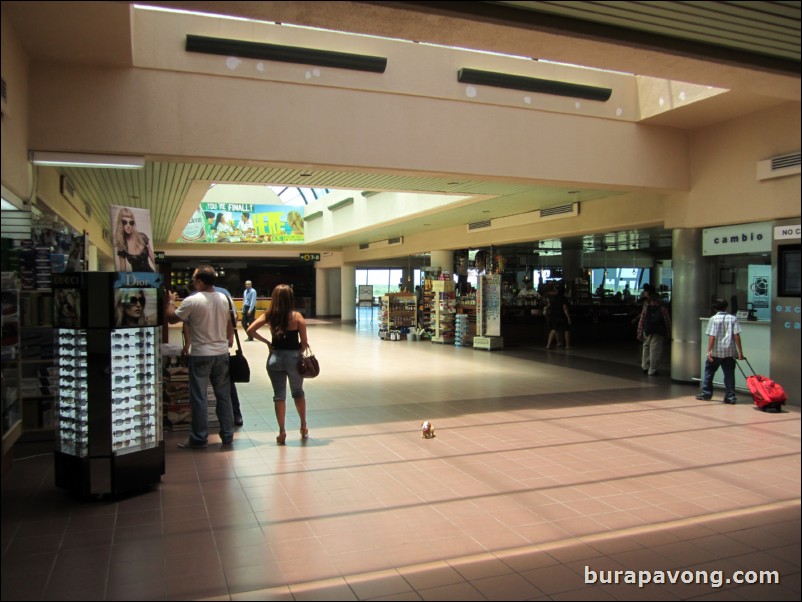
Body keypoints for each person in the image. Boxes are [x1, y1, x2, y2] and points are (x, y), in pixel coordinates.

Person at [164, 265, 236, 448]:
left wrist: (169, 302)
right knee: (224, 396)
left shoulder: (192, 300)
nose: (193, 282)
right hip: (221, 354)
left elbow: (172, 318)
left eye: (195, 279)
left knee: (199, 397)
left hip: (201, 355)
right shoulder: (224, 298)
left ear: (201, 281)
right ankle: (227, 435)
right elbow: (229, 322)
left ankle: (199, 437)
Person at [246, 284, 309, 445]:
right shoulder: (297, 317)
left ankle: (281, 431)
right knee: (298, 392)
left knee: (279, 396)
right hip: (294, 360)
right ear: (290, 298)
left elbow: (250, 330)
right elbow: (304, 343)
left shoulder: (269, 315)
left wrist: (268, 342)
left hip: (274, 359)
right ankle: (303, 426)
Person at [697, 298, 744, 404]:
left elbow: (712, 336)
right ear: (726, 307)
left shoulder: (713, 319)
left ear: (714, 308)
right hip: (730, 352)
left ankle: (706, 393)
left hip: (716, 352)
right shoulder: (733, 318)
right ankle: (730, 396)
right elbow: (736, 335)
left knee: (709, 372)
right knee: (729, 374)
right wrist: (740, 352)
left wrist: (709, 350)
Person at [637, 288, 671, 376]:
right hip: (658, 331)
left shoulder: (646, 306)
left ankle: (645, 366)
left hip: (647, 329)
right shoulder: (662, 307)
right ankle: (652, 369)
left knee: (646, 347)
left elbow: (642, 319)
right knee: (655, 349)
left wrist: (639, 331)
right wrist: (668, 331)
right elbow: (667, 320)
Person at [114, 207, 156, 272]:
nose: (128, 225)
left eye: (131, 222)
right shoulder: (122, 245)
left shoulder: (143, 237)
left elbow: (153, 258)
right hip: (136, 279)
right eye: (125, 222)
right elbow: (122, 272)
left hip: (150, 276)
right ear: (120, 224)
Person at [545, 283, 572, 349]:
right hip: (562, 315)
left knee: (554, 329)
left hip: (554, 315)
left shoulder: (553, 298)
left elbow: (549, 306)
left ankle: (548, 345)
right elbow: (565, 308)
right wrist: (568, 317)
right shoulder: (563, 298)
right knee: (566, 329)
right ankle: (567, 345)